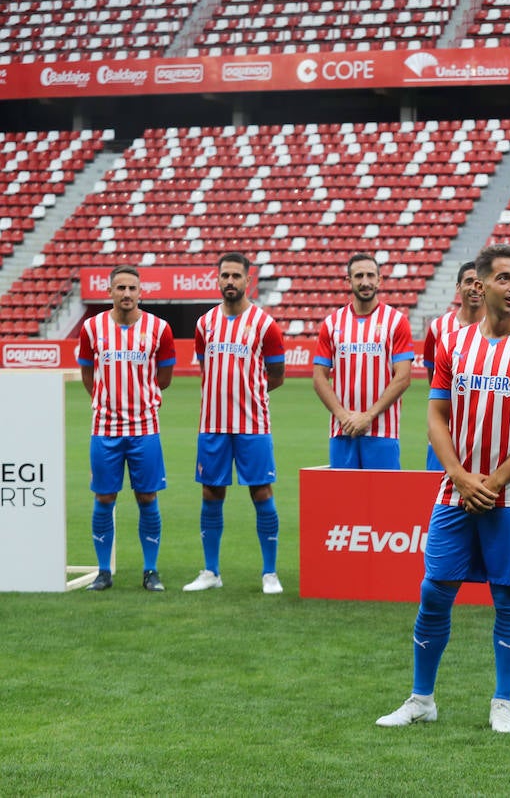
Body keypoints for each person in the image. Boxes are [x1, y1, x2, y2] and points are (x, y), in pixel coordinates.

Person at [376, 244, 510, 732]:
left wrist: (495, 482)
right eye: (505, 278)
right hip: (454, 490)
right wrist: (459, 476)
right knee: (434, 591)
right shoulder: (453, 345)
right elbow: (436, 416)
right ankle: (421, 699)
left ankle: (502, 703)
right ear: (481, 285)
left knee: (508, 598)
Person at [183, 252, 287, 595]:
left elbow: (276, 375)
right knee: (211, 492)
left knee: (261, 492)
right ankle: (211, 571)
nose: (230, 281)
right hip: (212, 423)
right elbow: (205, 366)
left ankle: (269, 573)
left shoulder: (264, 324)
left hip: (253, 424)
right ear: (218, 279)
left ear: (248, 280)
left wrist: (249, 393)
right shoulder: (205, 323)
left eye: (236, 276)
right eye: (225, 275)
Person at [76, 264, 176, 592]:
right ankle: (103, 571)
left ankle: (151, 571)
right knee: (104, 497)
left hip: (145, 427)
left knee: (147, 497)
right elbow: (88, 375)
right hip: (104, 428)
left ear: (141, 292)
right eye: (120, 288)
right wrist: (107, 401)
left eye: (132, 288)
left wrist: (139, 399)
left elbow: (164, 378)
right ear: (110, 292)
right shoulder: (91, 329)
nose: (126, 294)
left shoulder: (159, 329)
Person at [311, 252, 414, 469]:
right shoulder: (332, 323)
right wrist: (342, 416)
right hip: (342, 430)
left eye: (370, 275)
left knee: (384, 500)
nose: (365, 282)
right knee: (344, 500)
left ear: (379, 279)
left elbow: (403, 377)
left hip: (383, 431)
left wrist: (368, 416)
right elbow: (319, 378)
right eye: (358, 276)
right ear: (349, 281)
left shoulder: (396, 321)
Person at [423, 261, 485, 470]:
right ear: (458, 287)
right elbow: (433, 375)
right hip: (444, 432)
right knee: (435, 493)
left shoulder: (499, 329)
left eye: (480, 282)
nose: (474, 288)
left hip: (483, 434)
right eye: (469, 281)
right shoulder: (438, 327)